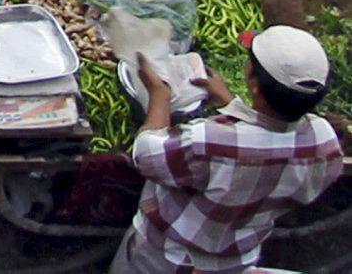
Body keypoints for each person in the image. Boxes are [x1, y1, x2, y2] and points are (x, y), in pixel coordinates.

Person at [120, 26, 348, 274]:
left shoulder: (211, 140)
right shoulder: (324, 142)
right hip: (236, 261)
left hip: (167, 258)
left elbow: (146, 154)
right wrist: (230, 103)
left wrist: (159, 95)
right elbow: (267, 146)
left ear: (255, 84)